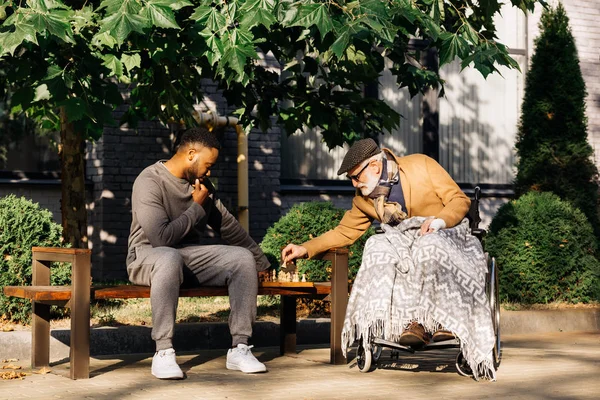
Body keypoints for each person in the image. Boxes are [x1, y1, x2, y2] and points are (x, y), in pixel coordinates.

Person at [281, 138, 471, 346]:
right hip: (405, 243)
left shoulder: (421, 165)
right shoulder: (365, 198)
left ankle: (442, 319)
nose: (354, 183)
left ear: (375, 165)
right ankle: (403, 323)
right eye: (350, 179)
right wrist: (305, 248)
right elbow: (344, 231)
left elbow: (459, 200)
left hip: (442, 232)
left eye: (356, 176)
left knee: (428, 245)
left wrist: (439, 221)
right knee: (376, 244)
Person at [127, 126, 270, 379]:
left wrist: (262, 262)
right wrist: (196, 206)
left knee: (241, 258)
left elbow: (228, 227)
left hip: (187, 257)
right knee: (169, 256)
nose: (209, 170)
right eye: (208, 164)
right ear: (191, 154)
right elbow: (161, 239)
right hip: (147, 257)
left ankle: (240, 347)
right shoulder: (149, 180)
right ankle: (163, 351)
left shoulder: (202, 185)